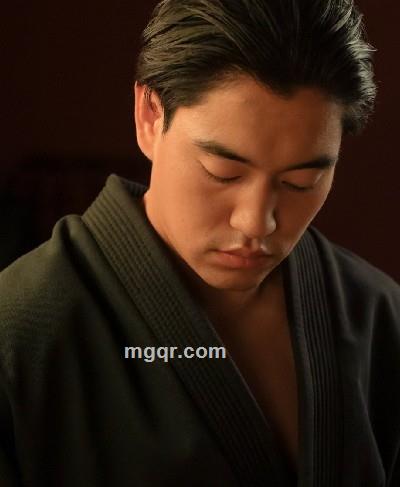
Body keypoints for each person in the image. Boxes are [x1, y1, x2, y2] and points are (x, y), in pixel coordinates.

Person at [0, 0, 399, 485]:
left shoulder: (378, 315)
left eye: (300, 182)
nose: (257, 223)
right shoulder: (21, 333)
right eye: (223, 172)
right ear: (150, 116)